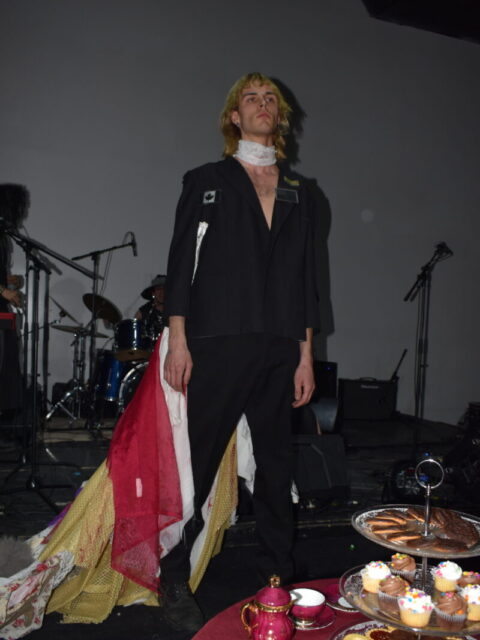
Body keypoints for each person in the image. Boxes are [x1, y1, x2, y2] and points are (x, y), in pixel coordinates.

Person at [161, 72, 320, 632]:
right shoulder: (207, 180)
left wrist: (305, 356)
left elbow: (305, 279)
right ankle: (172, 577)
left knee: (277, 469)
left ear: (281, 116)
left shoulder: (301, 191)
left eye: (270, 98)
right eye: (251, 98)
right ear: (235, 116)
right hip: (217, 342)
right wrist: (178, 340)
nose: (262, 104)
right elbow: (181, 263)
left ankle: (276, 577)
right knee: (198, 465)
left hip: (280, 347)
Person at [0, 184, 26, 416]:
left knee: (7, 363)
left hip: (2, 310)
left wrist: (7, 281)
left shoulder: (3, 238)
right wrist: (4, 291)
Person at [134, 274, 166, 342]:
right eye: (158, 289)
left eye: (165, 289)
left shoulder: (175, 311)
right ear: (153, 293)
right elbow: (134, 331)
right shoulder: (143, 312)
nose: (162, 292)